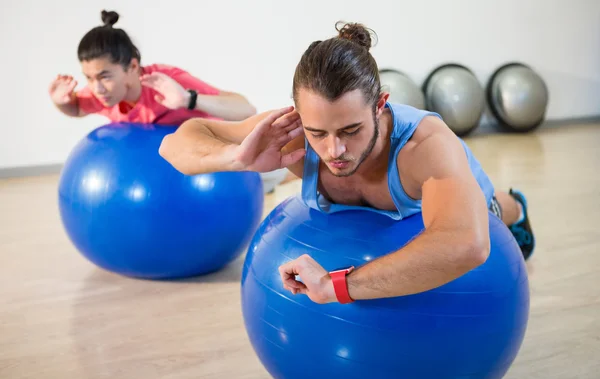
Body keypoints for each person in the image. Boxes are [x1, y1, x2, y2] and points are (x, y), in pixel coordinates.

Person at [157, 22, 535, 305]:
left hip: (467, 204)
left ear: (380, 104)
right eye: (317, 132)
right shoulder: (291, 133)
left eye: (351, 129)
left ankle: (515, 204)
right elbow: (175, 144)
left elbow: (466, 245)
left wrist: (336, 286)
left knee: (492, 211)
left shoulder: (425, 146)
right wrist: (236, 157)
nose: (334, 149)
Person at [48, 10, 256, 125]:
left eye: (105, 77)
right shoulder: (101, 94)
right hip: (162, 175)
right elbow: (77, 108)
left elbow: (246, 109)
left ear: (132, 66)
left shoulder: (166, 80)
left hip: (220, 165)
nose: (96, 88)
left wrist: (187, 99)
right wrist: (60, 102)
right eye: (89, 78)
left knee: (271, 175)